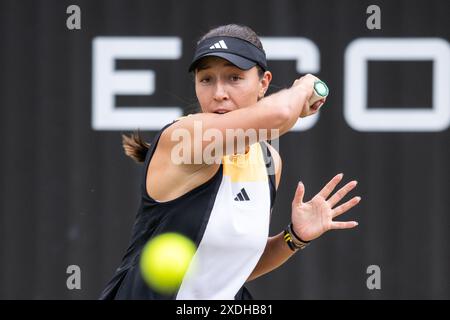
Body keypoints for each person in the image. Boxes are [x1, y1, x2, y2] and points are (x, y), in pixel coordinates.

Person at [100, 24, 361, 300]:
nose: (218, 93)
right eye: (206, 79)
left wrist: (294, 237)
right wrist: (303, 87)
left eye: (234, 78)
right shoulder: (183, 136)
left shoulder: (269, 160)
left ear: (263, 83)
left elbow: (230, 270)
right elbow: (282, 112)